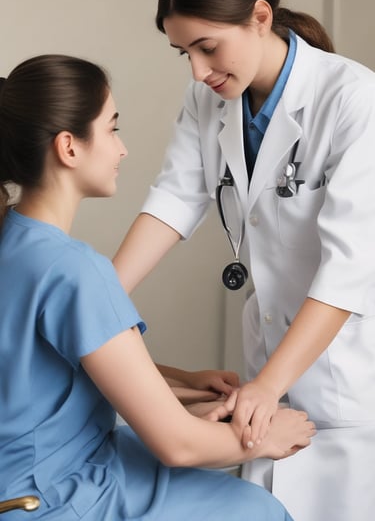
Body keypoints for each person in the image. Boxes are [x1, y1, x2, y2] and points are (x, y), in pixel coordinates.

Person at [112, 0, 375, 521]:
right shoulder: (208, 99)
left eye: (207, 48)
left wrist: (267, 385)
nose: (198, 71)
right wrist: (98, 298)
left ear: (260, 16)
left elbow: (348, 267)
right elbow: (175, 200)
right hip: (269, 364)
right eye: (183, 52)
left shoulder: (353, 98)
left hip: (347, 370)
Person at [0, 55, 316, 520]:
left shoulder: (13, 242)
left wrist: (186, 387)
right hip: (57, 495)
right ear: (69, 147)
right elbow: (177, 446)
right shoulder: (74, 269)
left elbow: (54, 370)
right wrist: (265, 437)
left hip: (20, 484)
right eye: (112, 129)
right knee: (256, 509)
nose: (122, 149)